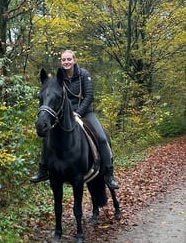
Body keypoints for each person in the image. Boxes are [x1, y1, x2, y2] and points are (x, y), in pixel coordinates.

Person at [31, 49, 120, 189]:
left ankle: (108, 173)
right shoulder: (60, 76)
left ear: (74, 60)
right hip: (64, 114)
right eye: (63, 60)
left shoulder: (84, 74)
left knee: (102, 137)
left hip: (85, 113)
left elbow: (89, 96)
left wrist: (78, 112)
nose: (66, 62)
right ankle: (43, 169)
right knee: (47, 136)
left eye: (69, 59)